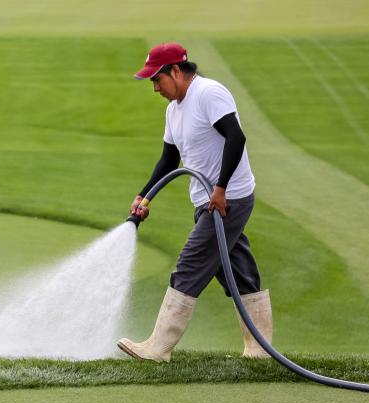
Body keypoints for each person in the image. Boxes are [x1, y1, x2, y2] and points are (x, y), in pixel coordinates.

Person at [117, 42, 273, 362]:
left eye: (157, 80)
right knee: (239, 271)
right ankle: (259, 350)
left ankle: (158, 349)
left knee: (190, 265)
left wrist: (221, 188)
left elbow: (236, 137)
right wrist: (145, 195)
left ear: (176, 71)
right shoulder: (173, 109)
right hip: (207, 201)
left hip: (229, 199)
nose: (155, 88)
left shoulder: (208, 93)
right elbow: (169, 159)